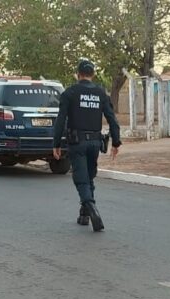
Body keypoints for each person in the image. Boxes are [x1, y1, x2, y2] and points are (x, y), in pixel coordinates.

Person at [52, 58, 121, 231]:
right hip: (95, 143)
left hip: (77, 142)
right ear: (93, 74)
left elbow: (61, 120)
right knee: (89, 177)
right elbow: (112, 118)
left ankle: (91, 207)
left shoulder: (70, 93)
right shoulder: (101, 93)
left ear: (78, 74)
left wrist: (56, 143)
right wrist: (116, 141)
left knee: (81, 179)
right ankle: (84, 215)